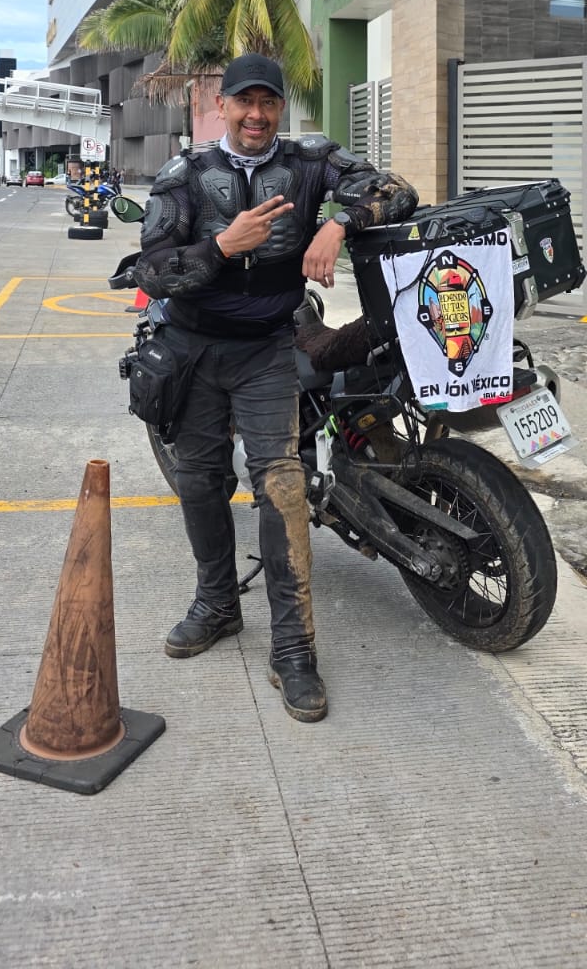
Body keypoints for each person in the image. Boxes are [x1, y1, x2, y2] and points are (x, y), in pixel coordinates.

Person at [129, 53, 417, 723]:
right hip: (193, 350)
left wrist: (338, 222)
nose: (256, 116)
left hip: (266, 348)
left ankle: (293, 647)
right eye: (244, 103)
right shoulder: (186, 175)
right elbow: (151, 268)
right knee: (199, 480)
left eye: (268, 104)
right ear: (222, 107)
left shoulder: (310, 161)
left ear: (278, 109)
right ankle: (217, 604)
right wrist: (223, 248)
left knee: (283, 486)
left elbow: (394, 188)